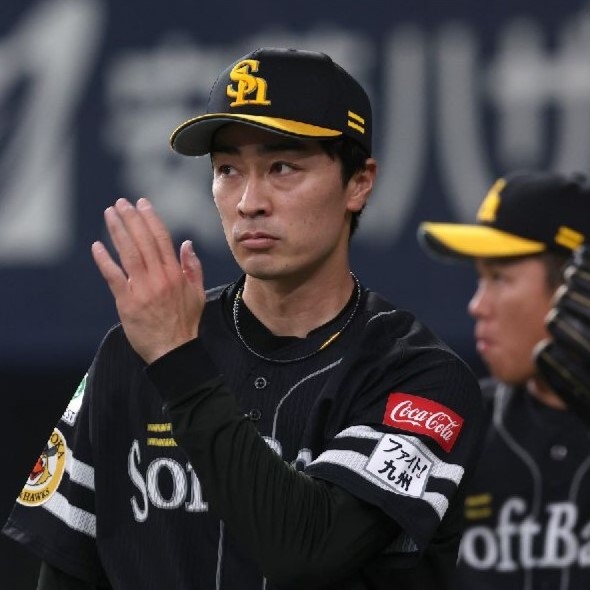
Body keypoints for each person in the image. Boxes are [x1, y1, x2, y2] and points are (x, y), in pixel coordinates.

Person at [3, 47, 483, 590]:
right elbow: (66, 571)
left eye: (282, 167)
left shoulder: (421, 379)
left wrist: (180, 365)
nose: (249, 201)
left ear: (358, 182)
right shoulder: (132, 351)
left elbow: (307, 550)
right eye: (228, 170)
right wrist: (171, 355)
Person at [417, 170, 590, 590]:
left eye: (500, 277)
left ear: (576, 285)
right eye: (480, 278)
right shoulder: (453, 436)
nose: (477, 305)